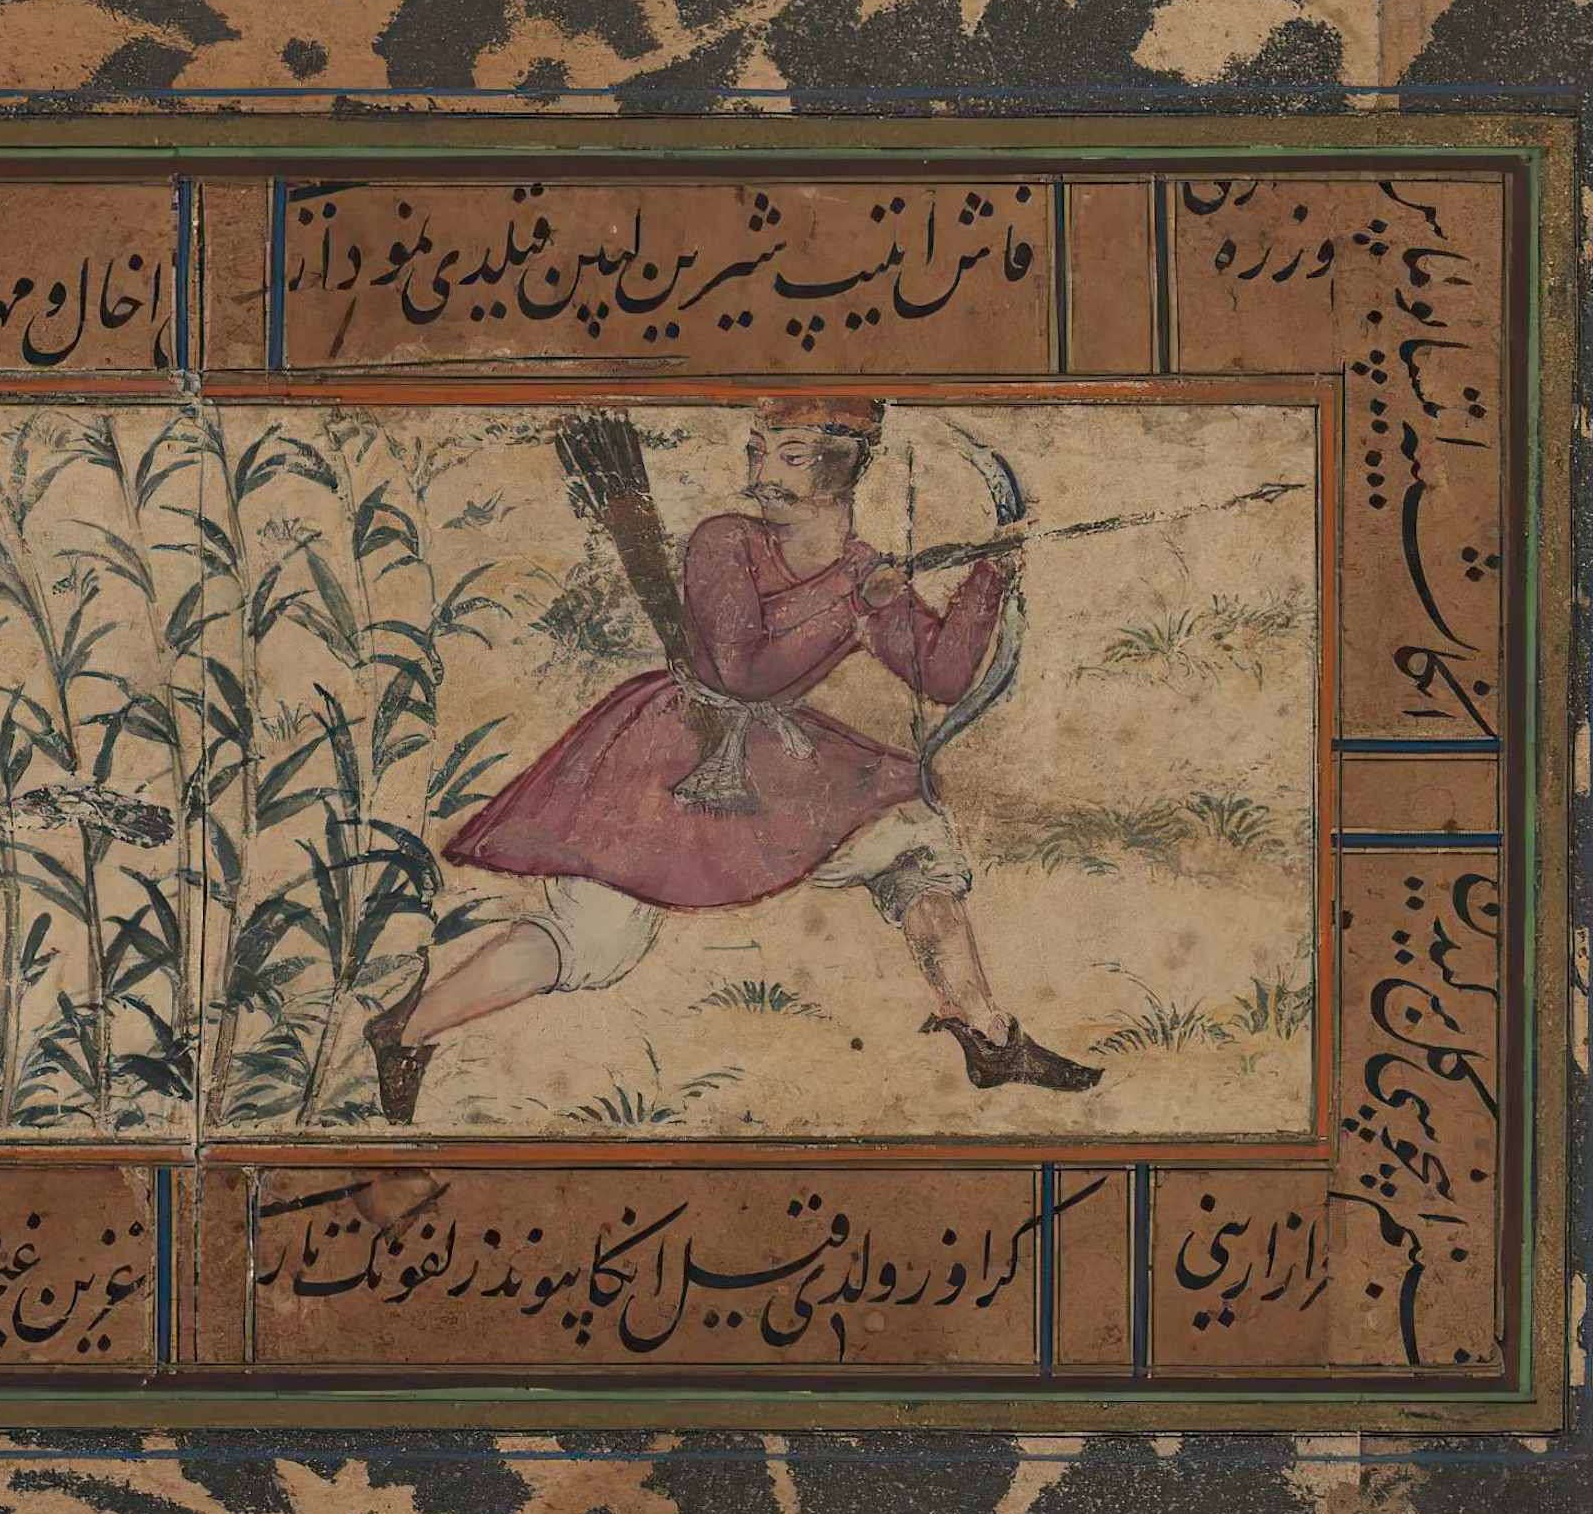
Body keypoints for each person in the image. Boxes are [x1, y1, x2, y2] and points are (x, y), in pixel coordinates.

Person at [362, 394, 1102, 1123]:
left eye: (789, 455)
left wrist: (991, 576)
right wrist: (852, 601)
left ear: (843, 467)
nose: (761, 473)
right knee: (595, 940)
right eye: (758, 451)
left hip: (770, 759)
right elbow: (742, 671)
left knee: (911, 835)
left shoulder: (860, 568)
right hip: (670, 755)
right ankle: (406, 1030)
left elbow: (940, 676)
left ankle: (987, 1034)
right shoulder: (726, 542)